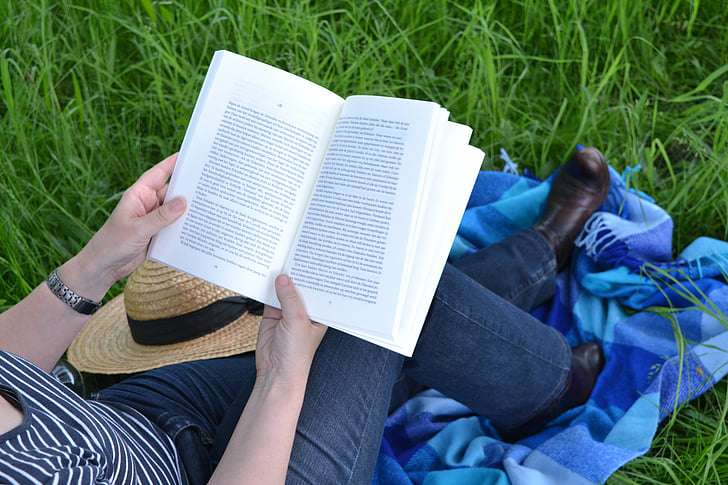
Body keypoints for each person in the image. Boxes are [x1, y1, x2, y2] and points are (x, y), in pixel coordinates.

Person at [0, 147, 610, 484]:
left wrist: (96, 266)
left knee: (359, 313)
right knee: (361, 297)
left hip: (144, 416)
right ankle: (549, 381)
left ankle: (533, 268)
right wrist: (282, 379)